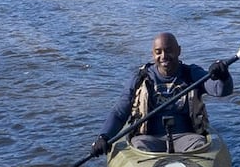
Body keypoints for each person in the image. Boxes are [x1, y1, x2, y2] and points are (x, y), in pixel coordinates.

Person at [92, 31, 232, 154]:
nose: (164, 56)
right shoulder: (141, 77)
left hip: (188, 139)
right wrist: (104, 136)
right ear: (153, 54)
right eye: (158, 52)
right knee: (139, 145)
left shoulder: (191, 73)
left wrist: (223, 75)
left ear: (179, 51)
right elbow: (119, 112)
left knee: (199, 144)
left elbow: (221, 90)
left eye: (169, 50)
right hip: (148, 140)